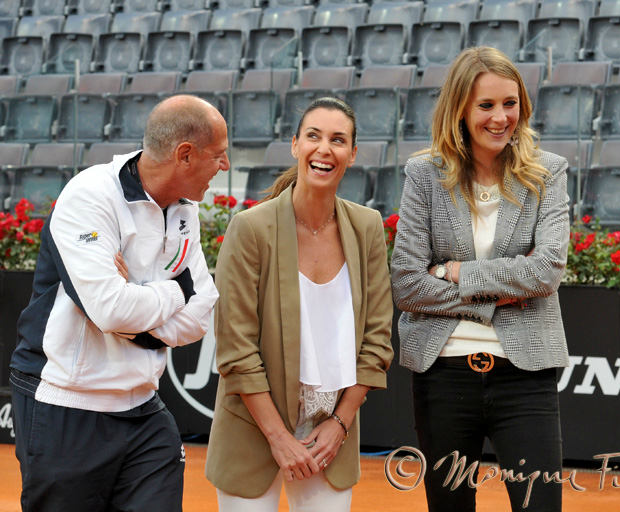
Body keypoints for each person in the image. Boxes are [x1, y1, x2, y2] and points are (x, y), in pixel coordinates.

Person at [9, 94, 226, 511]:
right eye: (218, 155)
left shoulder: (185, 210)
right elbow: (111, 309)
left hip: (144, 408)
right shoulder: (89, 196)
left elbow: (201, 313)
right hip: (65, 404)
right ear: (184, 155)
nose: (226, 165)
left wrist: (134, 306)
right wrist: (176, 291)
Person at [390, 47, 571, 512]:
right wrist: (496, 295)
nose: (501, 117)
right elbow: (407, 282)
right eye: (486, 105)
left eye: (510, 104)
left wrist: (455, 273)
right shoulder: (424, 175)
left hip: (525, 375)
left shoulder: (549, 172)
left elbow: (546, 270)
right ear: (460, 110)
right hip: (443, 374)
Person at [205, 97, 394, 512]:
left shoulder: (366, 228)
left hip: (330, 436)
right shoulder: (250, 228)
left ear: (352, 154)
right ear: (295, 145)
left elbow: (377, 341)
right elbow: (236, 349)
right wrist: (279, 437)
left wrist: (340, 424)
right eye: (313, 136)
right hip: (253, 430)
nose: (324, 149)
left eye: (338, 140)